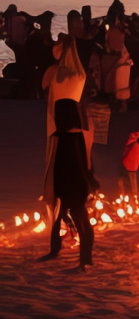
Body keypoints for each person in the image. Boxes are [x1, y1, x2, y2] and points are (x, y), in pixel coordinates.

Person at [41, 96, 95, 269]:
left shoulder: (73, 137)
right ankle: (56, 250)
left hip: (73, 185)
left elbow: (79, 163)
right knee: (60, 220)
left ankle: (85, 259)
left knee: (81, 222)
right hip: (67, 185)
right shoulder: (65, 136)